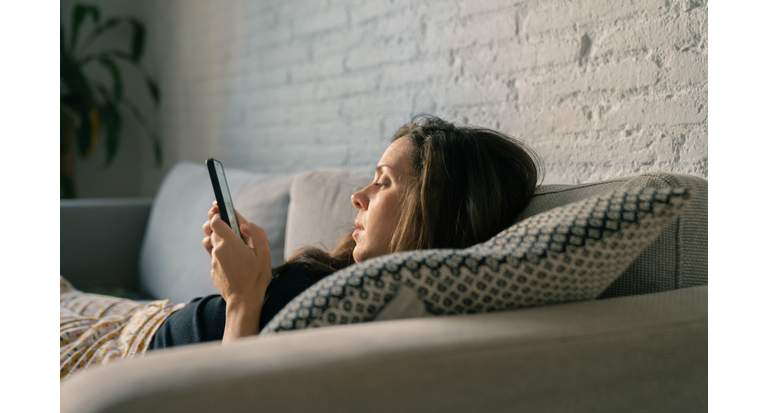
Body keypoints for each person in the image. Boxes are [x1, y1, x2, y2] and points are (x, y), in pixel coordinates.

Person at [59, 114, 541, 377]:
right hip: (144, 320)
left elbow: (227, 396)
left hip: (127, 356)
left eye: (383, 183)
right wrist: (252, 274)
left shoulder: (369, 311)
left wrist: (242, 298)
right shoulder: (346, 282)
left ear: (432, 209)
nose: (359, 196)